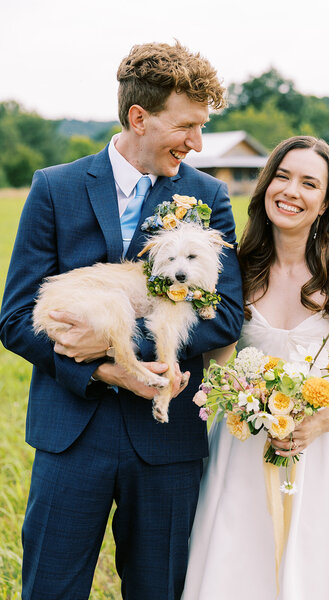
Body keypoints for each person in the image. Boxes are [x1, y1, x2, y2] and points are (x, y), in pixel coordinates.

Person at [0, 42, 244, 599]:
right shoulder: (54, 188)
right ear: (139, 118)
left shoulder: (207, 196)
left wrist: (118, 346)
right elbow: (16, 317)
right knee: (50, 590)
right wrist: (105, 371)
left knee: (159, 590)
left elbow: (226, 312)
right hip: (72, 431)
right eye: (186, 126)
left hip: (167, 441)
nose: (197, 143)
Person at [182, 136, 329, 599]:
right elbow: (217, 364)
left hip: (327, 449)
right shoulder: (235, 269)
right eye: (282, 176)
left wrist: (325, 419)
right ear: (265, 186)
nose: (290, 191)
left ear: (324, 203)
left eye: (308, 183)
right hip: (243, 447)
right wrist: (238, 399)